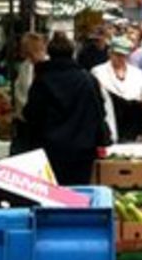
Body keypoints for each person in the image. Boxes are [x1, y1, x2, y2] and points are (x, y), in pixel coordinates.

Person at [17, 32, 109, 184]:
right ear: (72, 52)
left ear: (49, 53)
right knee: (79, 195)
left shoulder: (42, 80)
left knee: (53, 195)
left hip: (49, 151)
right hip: (82, 151)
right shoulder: (87, 79)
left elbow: (31, 114)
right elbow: (100, 112)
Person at [92, 36, 142, 143]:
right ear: (110, 53)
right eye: (117, 54)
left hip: (133, 126)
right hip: (110, 124)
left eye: (124, 55)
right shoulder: (98, 72)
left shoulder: (136, 73)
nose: (121, 58)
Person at [13, 32, 47, 120]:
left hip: (44, 120)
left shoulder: (50, 66)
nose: (26, 55)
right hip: (28, 118)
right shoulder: (25, 66)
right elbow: (20, 91)